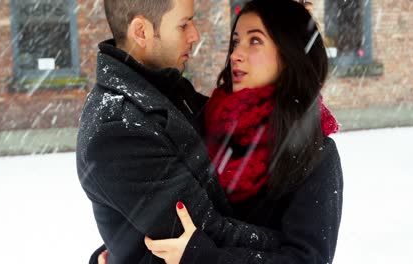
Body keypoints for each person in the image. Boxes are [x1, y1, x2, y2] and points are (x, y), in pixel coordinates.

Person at [77, 0, 287, 263]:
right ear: (141, 31)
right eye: (183, 24)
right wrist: (291, 248)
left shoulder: (168, 91)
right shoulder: (117, 128)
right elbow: (204, 230)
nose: (194, 35)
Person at [140, 0, 343, 263]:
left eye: (254, 41)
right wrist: (123, 251)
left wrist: (203, 257)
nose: (236, 54)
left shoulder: (315, 155)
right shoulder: (205, 124)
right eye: (235, 42)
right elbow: (170, 217)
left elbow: (306, 259)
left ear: (290, 53)